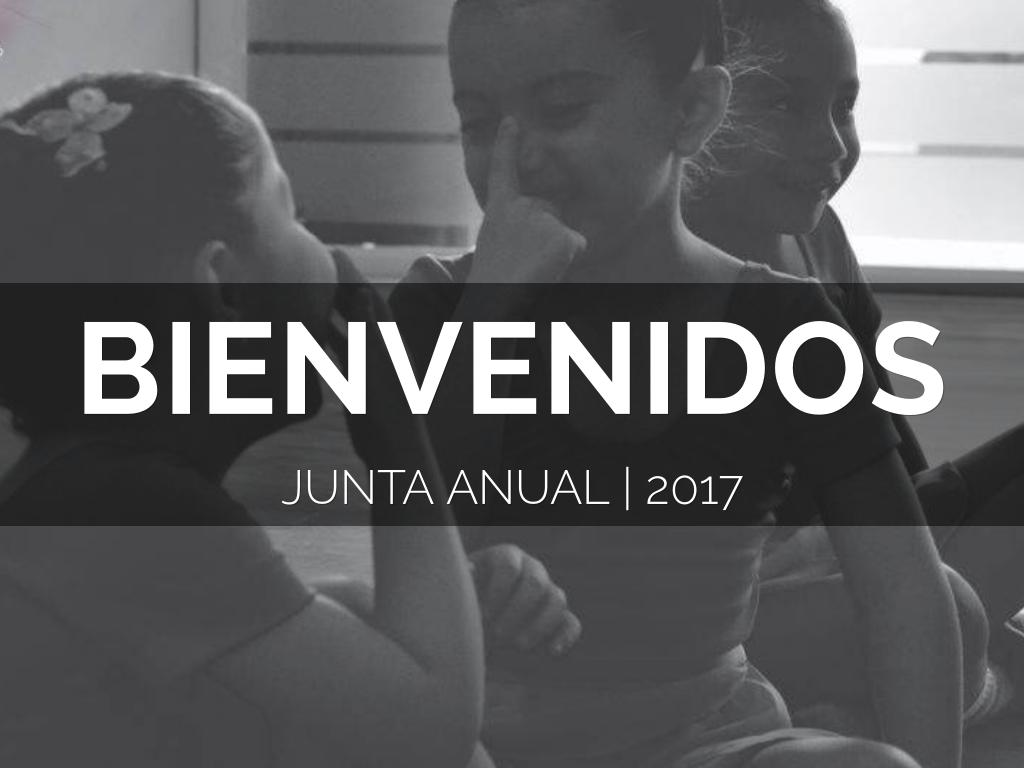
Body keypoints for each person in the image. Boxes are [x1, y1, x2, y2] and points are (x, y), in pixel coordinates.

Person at [389, 1, 964, 766]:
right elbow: (392, 574)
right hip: (483, 743)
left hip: (705, 739)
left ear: (691, 110)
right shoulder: (437, 308)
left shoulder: (783, 323)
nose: (515, 158)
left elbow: (903, 592)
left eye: (564, 109)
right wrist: (489, 316)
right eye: (480, 123)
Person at [0, 72, 486, 768]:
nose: (328, 253)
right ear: (226, 285)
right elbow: (432, 739)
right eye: (296, 214)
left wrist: (376, 612)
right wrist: (399, 432)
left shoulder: (80, 484)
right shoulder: (128, 507)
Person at [686, 0, 1022, 724]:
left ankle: (973, 669)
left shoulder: (817, 237)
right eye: (785, 104)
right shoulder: (648, 276)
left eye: (844, 107)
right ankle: (979, 678)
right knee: (954, 612)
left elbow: (892, 459)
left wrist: (937, 540)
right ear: (695, 110)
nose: (831, 143)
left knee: (949, 596)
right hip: (750, 609)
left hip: (856, 549)